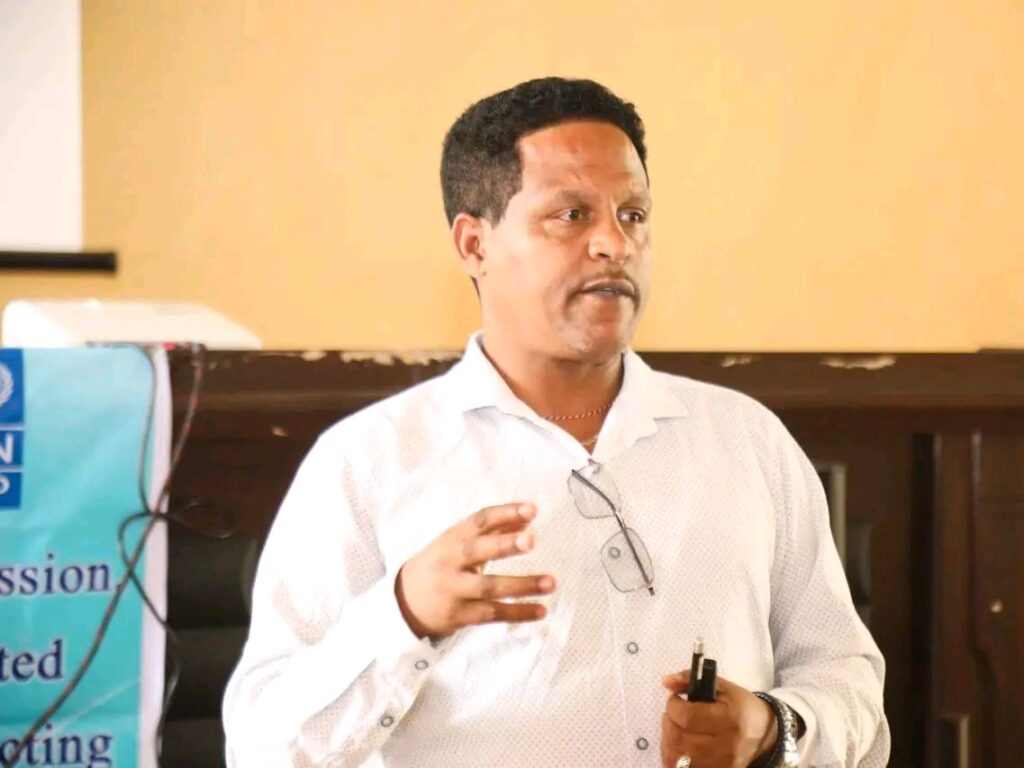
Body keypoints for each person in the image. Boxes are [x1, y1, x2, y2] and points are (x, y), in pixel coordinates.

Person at [222, 77, 890, 767]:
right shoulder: (370, 461)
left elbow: (847, 680)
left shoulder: (746, 440)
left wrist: (773, 728)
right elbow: (261, 749)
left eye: (633, 214)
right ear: (474, 245)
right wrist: (404, 615)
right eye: (572, 215)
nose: (614, 244)